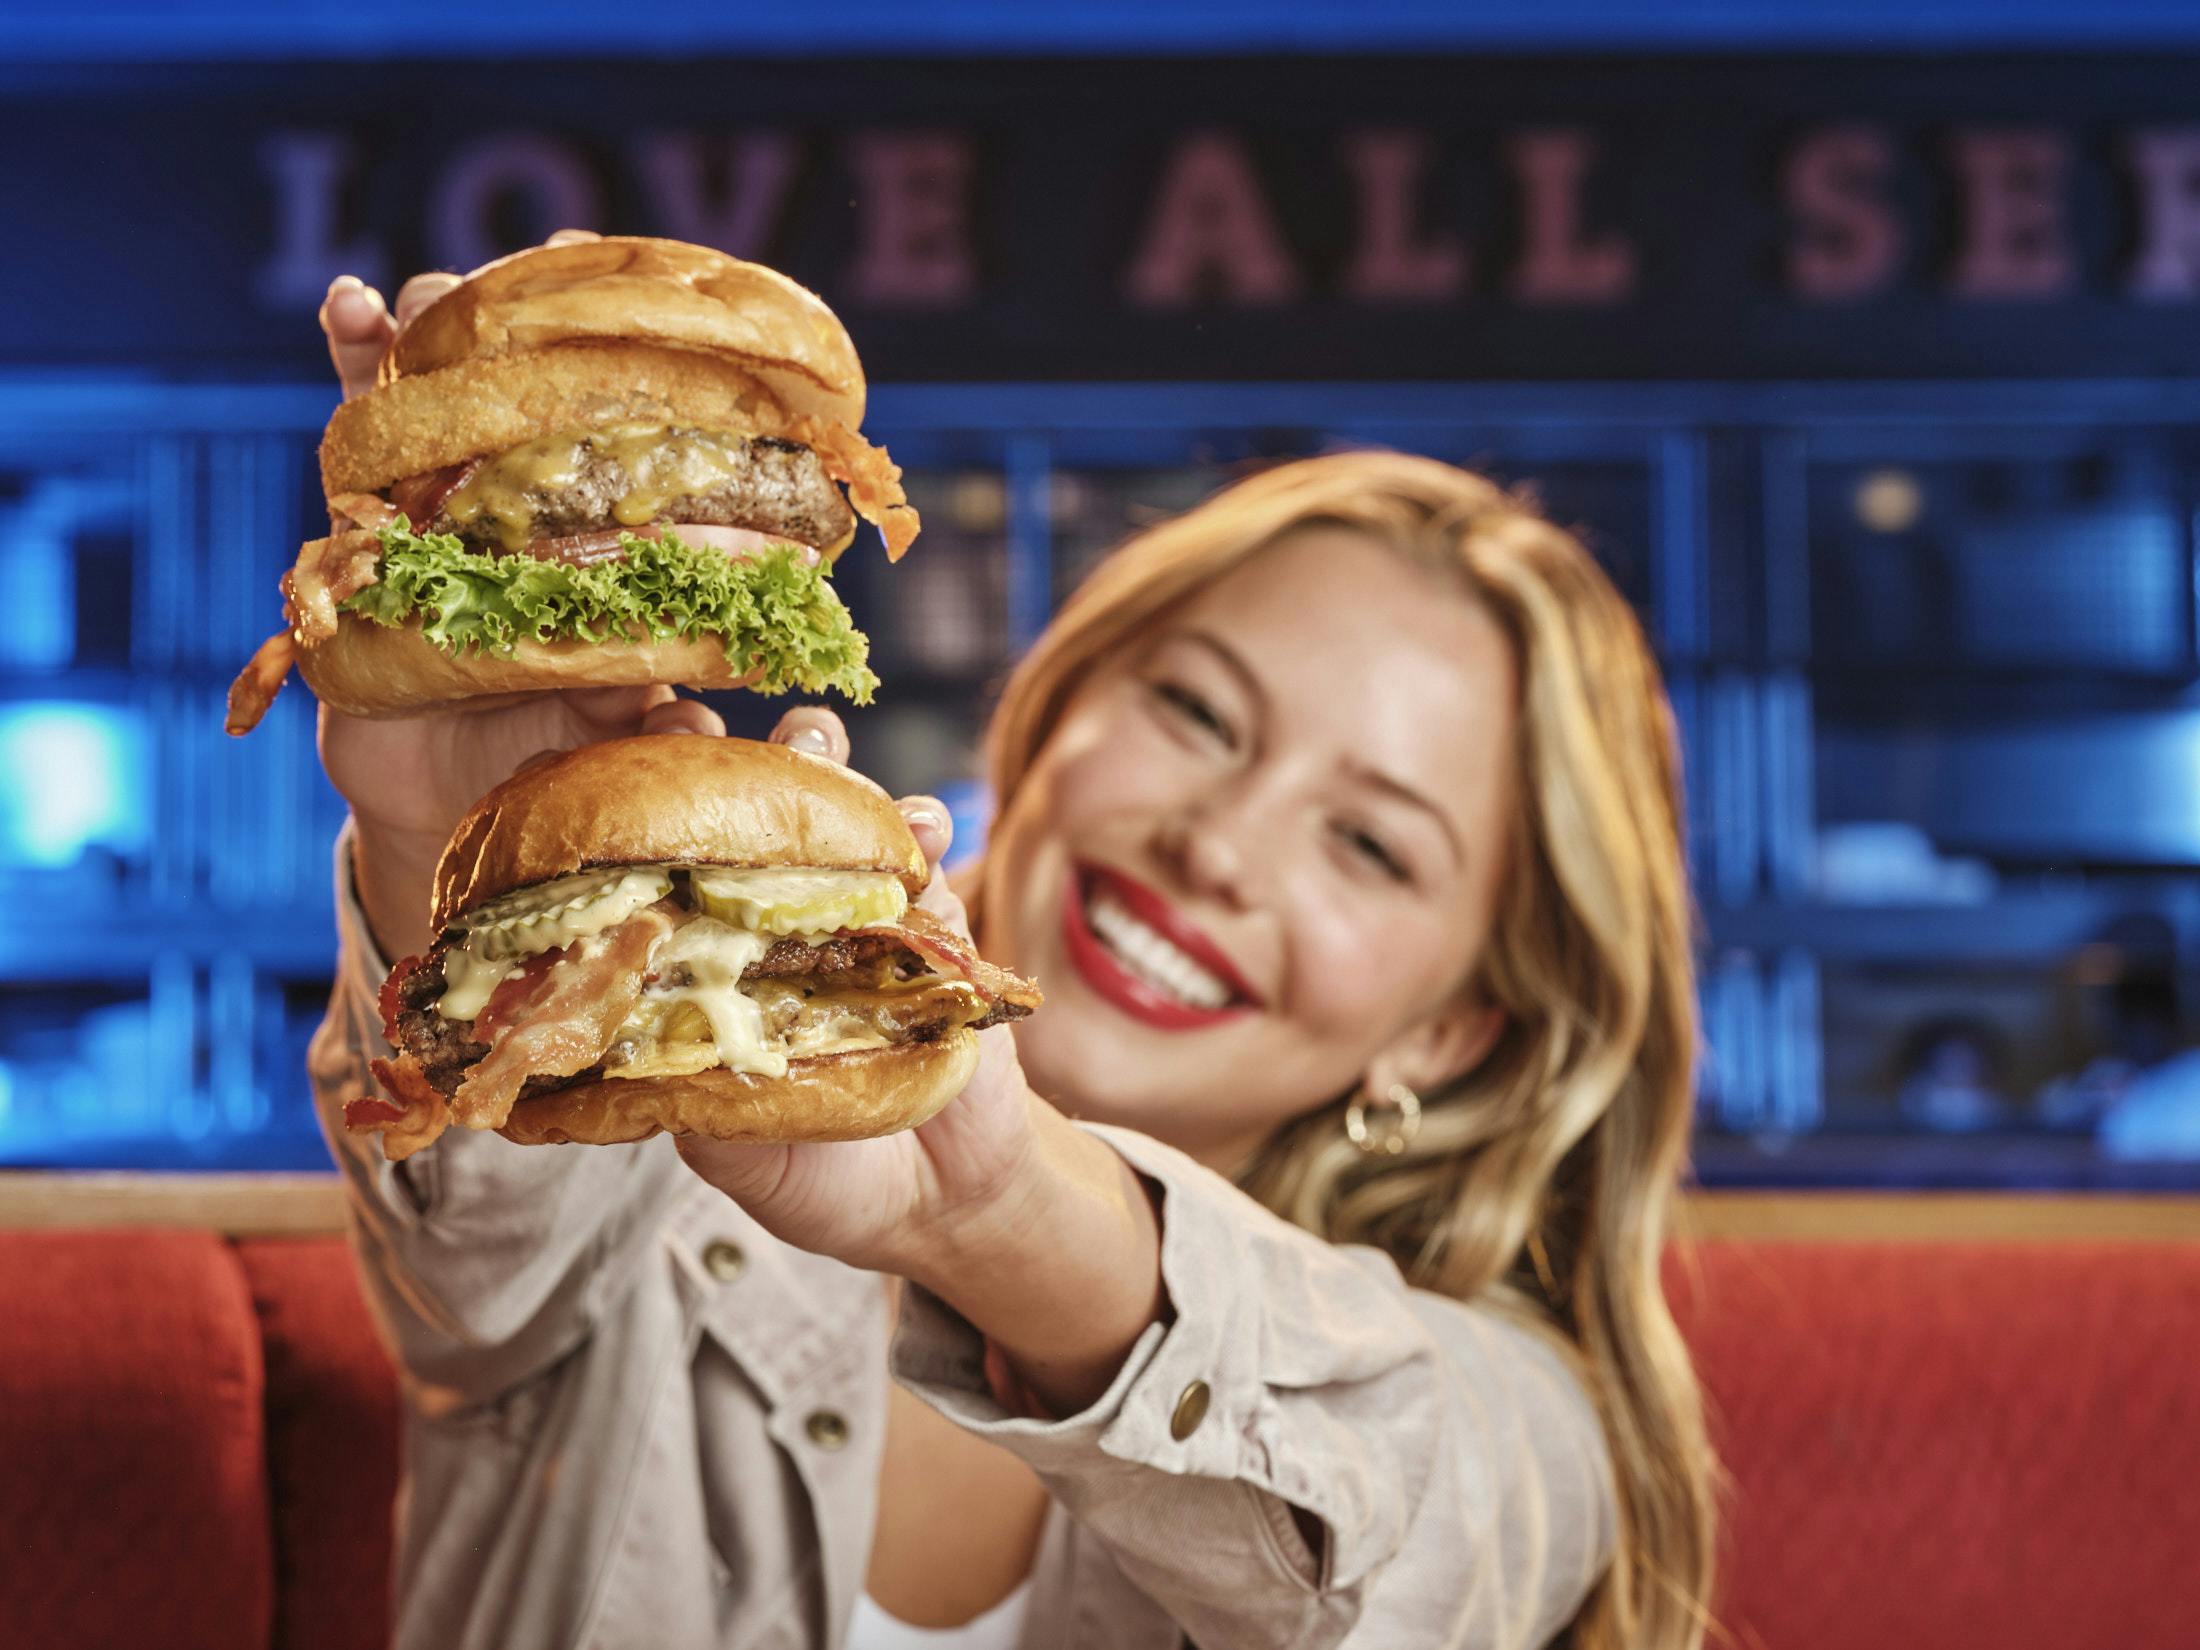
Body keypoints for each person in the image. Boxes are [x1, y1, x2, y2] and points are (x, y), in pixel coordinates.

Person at [309, 234, 1714, 1650]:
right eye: (1199, 714)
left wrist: (997, 1204)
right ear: (1047, 718)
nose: (1215, 846)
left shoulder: (1506, 1429)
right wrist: (449, 844)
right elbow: (480, 1252)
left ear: (1450, 1029)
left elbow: (1412, 1565)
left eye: (1369, 844)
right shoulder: (654, 1145)